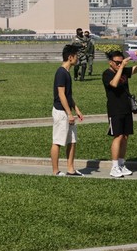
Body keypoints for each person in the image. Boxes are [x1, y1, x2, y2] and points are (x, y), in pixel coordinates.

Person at [102, 49, 137, 178]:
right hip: (115, 109)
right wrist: (122, 68)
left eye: (121, 62)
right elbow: (114, 84)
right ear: (111, 63)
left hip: (126, 108)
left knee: (125, 136)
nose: (119, 64)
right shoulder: (107, 74)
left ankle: (121, 163)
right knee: (118, 136)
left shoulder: (124, 71)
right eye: (117, 62)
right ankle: (114, 166)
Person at [50, 44, 84, 176]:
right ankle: (55, 171)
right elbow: (61, 94)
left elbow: (69, 96)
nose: (78, 59)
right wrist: (69, 113)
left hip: (67, 111)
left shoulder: (66, 73)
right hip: (61, 112)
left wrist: (77, 110)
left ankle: (70, 169)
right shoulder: (61, 72)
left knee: (72, 140)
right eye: (77, 57)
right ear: (70, 57)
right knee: (58, 141)